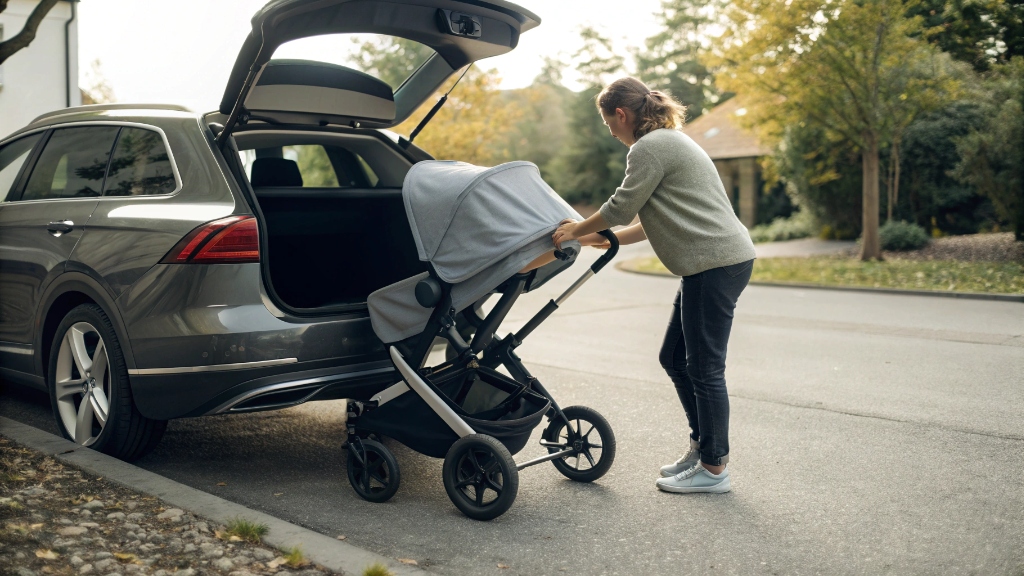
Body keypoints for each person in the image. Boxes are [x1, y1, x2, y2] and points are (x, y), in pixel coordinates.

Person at [552, 77, 756, 494]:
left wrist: (576, 230)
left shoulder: (649, 148)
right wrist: (598, 238)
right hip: (715, 262)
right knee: (675, 358)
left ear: (621, 115)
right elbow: (650, 222)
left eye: (609, 125)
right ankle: (703, 449)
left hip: (714, 264)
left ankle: (714, 469)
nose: (610, 133)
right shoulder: (669, 141)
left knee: (704, 368)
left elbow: (621, 208)